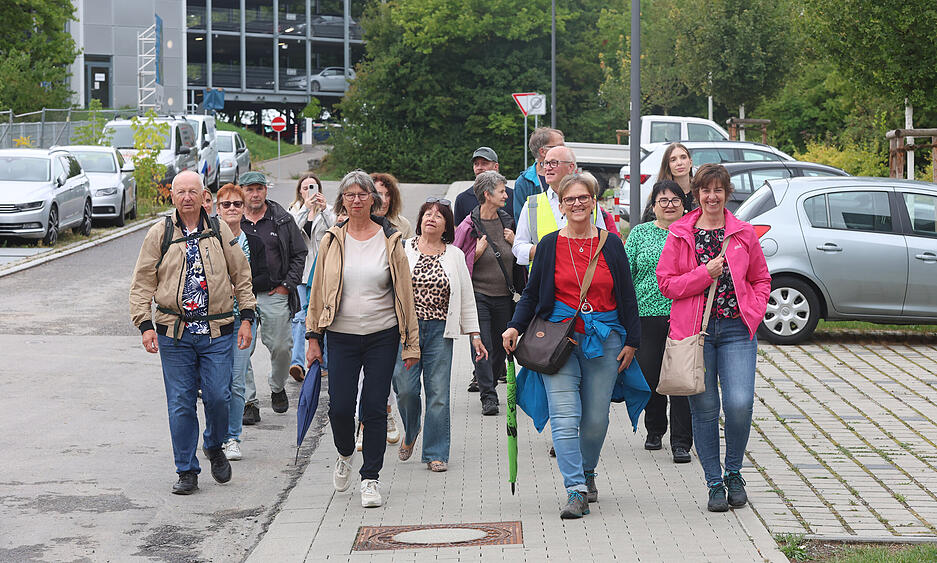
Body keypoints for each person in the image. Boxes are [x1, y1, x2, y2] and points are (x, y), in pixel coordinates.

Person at [503, 172, 645, 519]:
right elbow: (533, 294)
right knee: (565, 419)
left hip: (605, 339)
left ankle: (588, 470)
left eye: (584, 198)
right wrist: (513, 327)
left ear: (594, 202)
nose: (578, 204)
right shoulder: (550, 244)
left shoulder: (610, 243)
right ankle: (575, 489)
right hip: (558, 341)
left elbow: (627, 296)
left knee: (595, 419)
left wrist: (634, 341)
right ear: (561, 205)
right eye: (570, 199)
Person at [129, 170, 255, 495]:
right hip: (174, 333)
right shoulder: (160, 232)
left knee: (218, 396)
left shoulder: (218, 228)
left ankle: (213, 444)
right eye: (180, 191)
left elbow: (241, 273)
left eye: (192, 192)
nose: (187, 197)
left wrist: (247, 317)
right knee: (181, 403)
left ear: (203, 196)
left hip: (217, 330)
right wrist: (144, 325)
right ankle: (187, 470)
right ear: (172, 196)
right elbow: (142, 280)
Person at [657, 163, 771, 513]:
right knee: (705, 410)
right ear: (696, 193)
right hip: (696, 334)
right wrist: (704, 274)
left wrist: (754, 306)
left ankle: (734, 471)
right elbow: (667, 284)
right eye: (706, 190)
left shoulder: (743, 233)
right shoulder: (680, 233)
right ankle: (714, 483)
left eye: (718, 190)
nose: (712, 196)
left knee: (739, 403)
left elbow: (762, 279)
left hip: (737, 330)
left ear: (727, 193)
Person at [305, 170, 420, 508]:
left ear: (374, 199)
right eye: (350, 195)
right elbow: (317, 291)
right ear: (343, 200)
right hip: (340, 335)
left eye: (363, 195)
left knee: (373, 407)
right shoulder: (331, 239)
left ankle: (370, 478)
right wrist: (313, 337)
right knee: (340, 407)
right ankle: (344, 452)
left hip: (382, 336)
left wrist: (410, 344)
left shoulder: (391, 239)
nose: (356, 201)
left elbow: (405, 294)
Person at [394, 197, 487, 472]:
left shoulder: (454, 255)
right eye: (427, 213)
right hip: (406, 332)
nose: (431, 218)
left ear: (447, 224)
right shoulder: (403, 249)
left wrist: (475, 334)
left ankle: (436, 452)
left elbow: (467, 298)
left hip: (439, 332)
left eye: (438, 215)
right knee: (406, 390)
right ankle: (412, 430)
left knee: (438, 394)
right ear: (420, 219)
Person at [625, 180, 693, 464]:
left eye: (675, 199)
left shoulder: (692, 233)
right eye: (662, 200)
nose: (669, 205)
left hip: (683, 314)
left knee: (680, 378)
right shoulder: (640, 233)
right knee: (650, 375)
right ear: (653, 207)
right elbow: (625, 273)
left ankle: (682, 442)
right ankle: (654, 429)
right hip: (646, 314)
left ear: (684, 205)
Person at [239, 171, 307, 423]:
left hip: (274, 292)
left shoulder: (282, 220)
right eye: (249, 189)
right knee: (241, 351)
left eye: (259, 189)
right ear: (241, 191)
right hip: (240, 294)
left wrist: (287, 286)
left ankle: (277, 387)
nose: (255, 194)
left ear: (266, 191)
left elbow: (300, 253)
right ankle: (249, 402)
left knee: (281, 347)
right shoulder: (232, 220)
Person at [453, 170, 516, 415]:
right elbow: (456, 260)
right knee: (483, 345)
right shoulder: (469, 225)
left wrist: (513, 244)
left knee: (501, 347)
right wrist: (476, 254)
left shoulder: (507, 221)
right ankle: (488, 396)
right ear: (488, 194)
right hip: (477, 295)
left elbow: (518, 257)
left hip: (504, 295)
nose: (506, 196)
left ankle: (490, 381)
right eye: (502, 191)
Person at [216, 183, 272, 460]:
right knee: (215, 384)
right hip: (212, 322)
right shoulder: (209, 239)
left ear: (243, 208)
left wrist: (240, 282)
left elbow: (264, 277)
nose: (232, 209)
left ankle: (232, 437)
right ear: (218, 209)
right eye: (226, 205)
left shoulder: (254, 242)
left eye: (237, 204)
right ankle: (214, 435)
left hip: (242, 319)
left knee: (236, 381)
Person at [513, 146, 615, 268]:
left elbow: (603, 242)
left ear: (571, 167)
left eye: (554, 163)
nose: (547, 167)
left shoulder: (588, 201)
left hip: (584, 280)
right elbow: (518, 248)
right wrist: (544, 250)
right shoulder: (531, 205)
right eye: (545, 163)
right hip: (545, 282)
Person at [288, 172, 335, 383]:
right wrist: (306, 209)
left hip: (323, 272)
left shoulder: (329, 209)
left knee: (323, 317)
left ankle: (321, 361)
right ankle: (297, 363)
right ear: (300, 190)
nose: (310, 191)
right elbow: (291, 232)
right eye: (306, 187)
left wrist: (322, 210)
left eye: (313, 187)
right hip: (301, 272)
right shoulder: (293, 211)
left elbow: (334, 229)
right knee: (300, 318)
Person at [452, 147, 514, 225]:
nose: (479, 168)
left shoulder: (512, 196)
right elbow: (457, 232)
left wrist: (513, 237)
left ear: (496, 167)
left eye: (484, 163)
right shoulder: (462, 199)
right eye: (476, 164)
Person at [512, 127, 564, 220]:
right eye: (559, 147)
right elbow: (521, 222)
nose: (564, 150)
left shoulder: (571, 178)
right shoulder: (524, 183)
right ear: (542, 151)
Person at [653, 143, 695, 215]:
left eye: (683, 157)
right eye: (673, 160)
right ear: (668, 165)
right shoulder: (659, 195)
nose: (679, 163)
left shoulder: (701, 192)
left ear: (690, 162)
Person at [371, 172, 414, 238]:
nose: (384, 201)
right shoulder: (352, 223)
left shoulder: (404, 225)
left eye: (388, 195)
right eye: (379, 194)